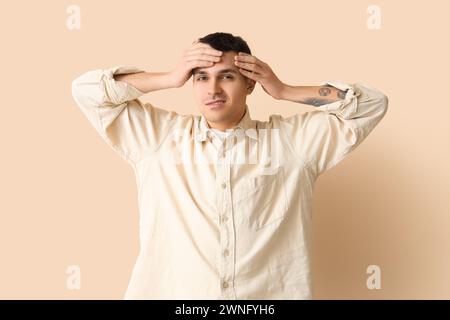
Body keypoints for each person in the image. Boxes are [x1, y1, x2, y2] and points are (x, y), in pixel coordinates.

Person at [71, 32, 388, 299]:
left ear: (250, 83)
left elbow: (372, 104)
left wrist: (283, 90)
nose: (213, 89)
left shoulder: (293, 143)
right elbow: (87, 90)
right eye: (201, 77)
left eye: (227, 76)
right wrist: (170, 77)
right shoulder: (158, 139)